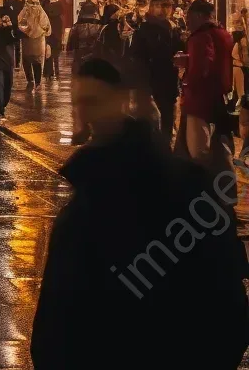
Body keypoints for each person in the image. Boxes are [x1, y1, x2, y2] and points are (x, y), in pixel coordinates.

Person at [30, 57, 249, 370]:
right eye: (80, 103)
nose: (86, 114)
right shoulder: (85, 199)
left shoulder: (183, 187)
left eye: (94, 101)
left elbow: (227, 300)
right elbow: (56, 322)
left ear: (123, 101)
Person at [179, 0, 234, 166]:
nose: (186, 21)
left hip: (199, 97)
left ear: (198, 16)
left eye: (188, 16)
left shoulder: (201, 37)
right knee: (219, 143)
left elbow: (201, 68)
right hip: (219, 94)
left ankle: (202, 184)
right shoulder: (224, 34)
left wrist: (185, 82)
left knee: (198, 149)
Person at [128, 0, 182, 143]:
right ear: (151, 8)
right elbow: (137, 58)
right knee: (150, 126)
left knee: (167, 124)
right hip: (150, 85)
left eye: (167, 6)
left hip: (169, 83)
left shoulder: (173, 29)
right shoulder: (144, 30)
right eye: (158, 6)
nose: (163, 10)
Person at [17, 0, 50, 88]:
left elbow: (20, 22)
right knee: (37, 60)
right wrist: (41, 31)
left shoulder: (25, 10)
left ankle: (30, 79)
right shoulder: (41, 10)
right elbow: (45, 24)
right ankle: (38, 81)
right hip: (38, 39)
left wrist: (27, 31)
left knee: (27, 59)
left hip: (27, 39)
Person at [42, 0, 64, 79]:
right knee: (50, 53)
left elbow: (55, 12)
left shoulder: (57, 6)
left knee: (53, 54)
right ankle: (51, 72)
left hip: (54, 32)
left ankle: (51, 72)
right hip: (51, 32)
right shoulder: (48, 6)